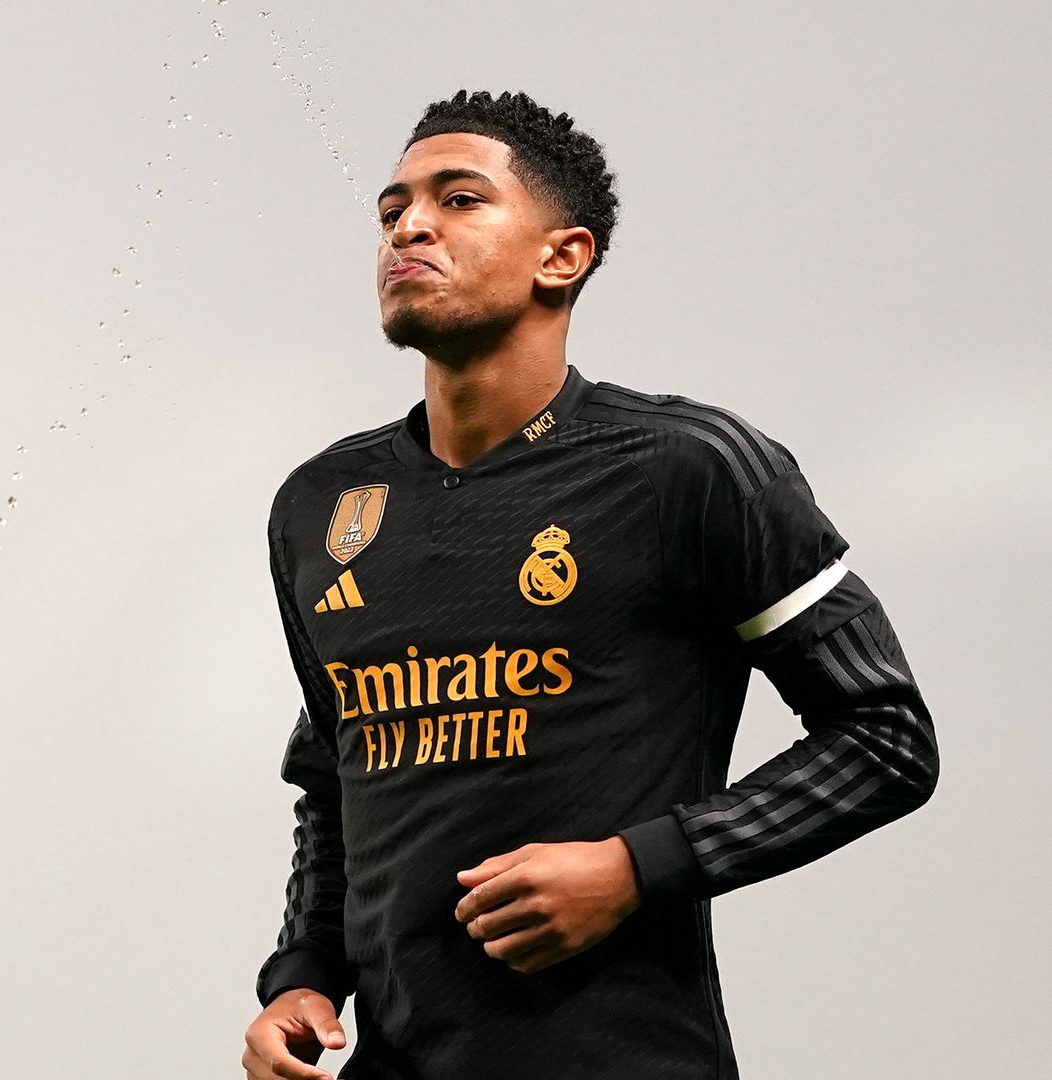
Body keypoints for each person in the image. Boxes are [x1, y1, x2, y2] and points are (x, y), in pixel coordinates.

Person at [240, 89, 939, 1080]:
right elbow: (334, 778)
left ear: (562, 257)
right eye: (393, 209)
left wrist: (634, 868)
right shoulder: (321, 504)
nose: (409, 226)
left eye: (459, 199)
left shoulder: (690, 468)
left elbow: (885, 739)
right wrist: (304, 978)